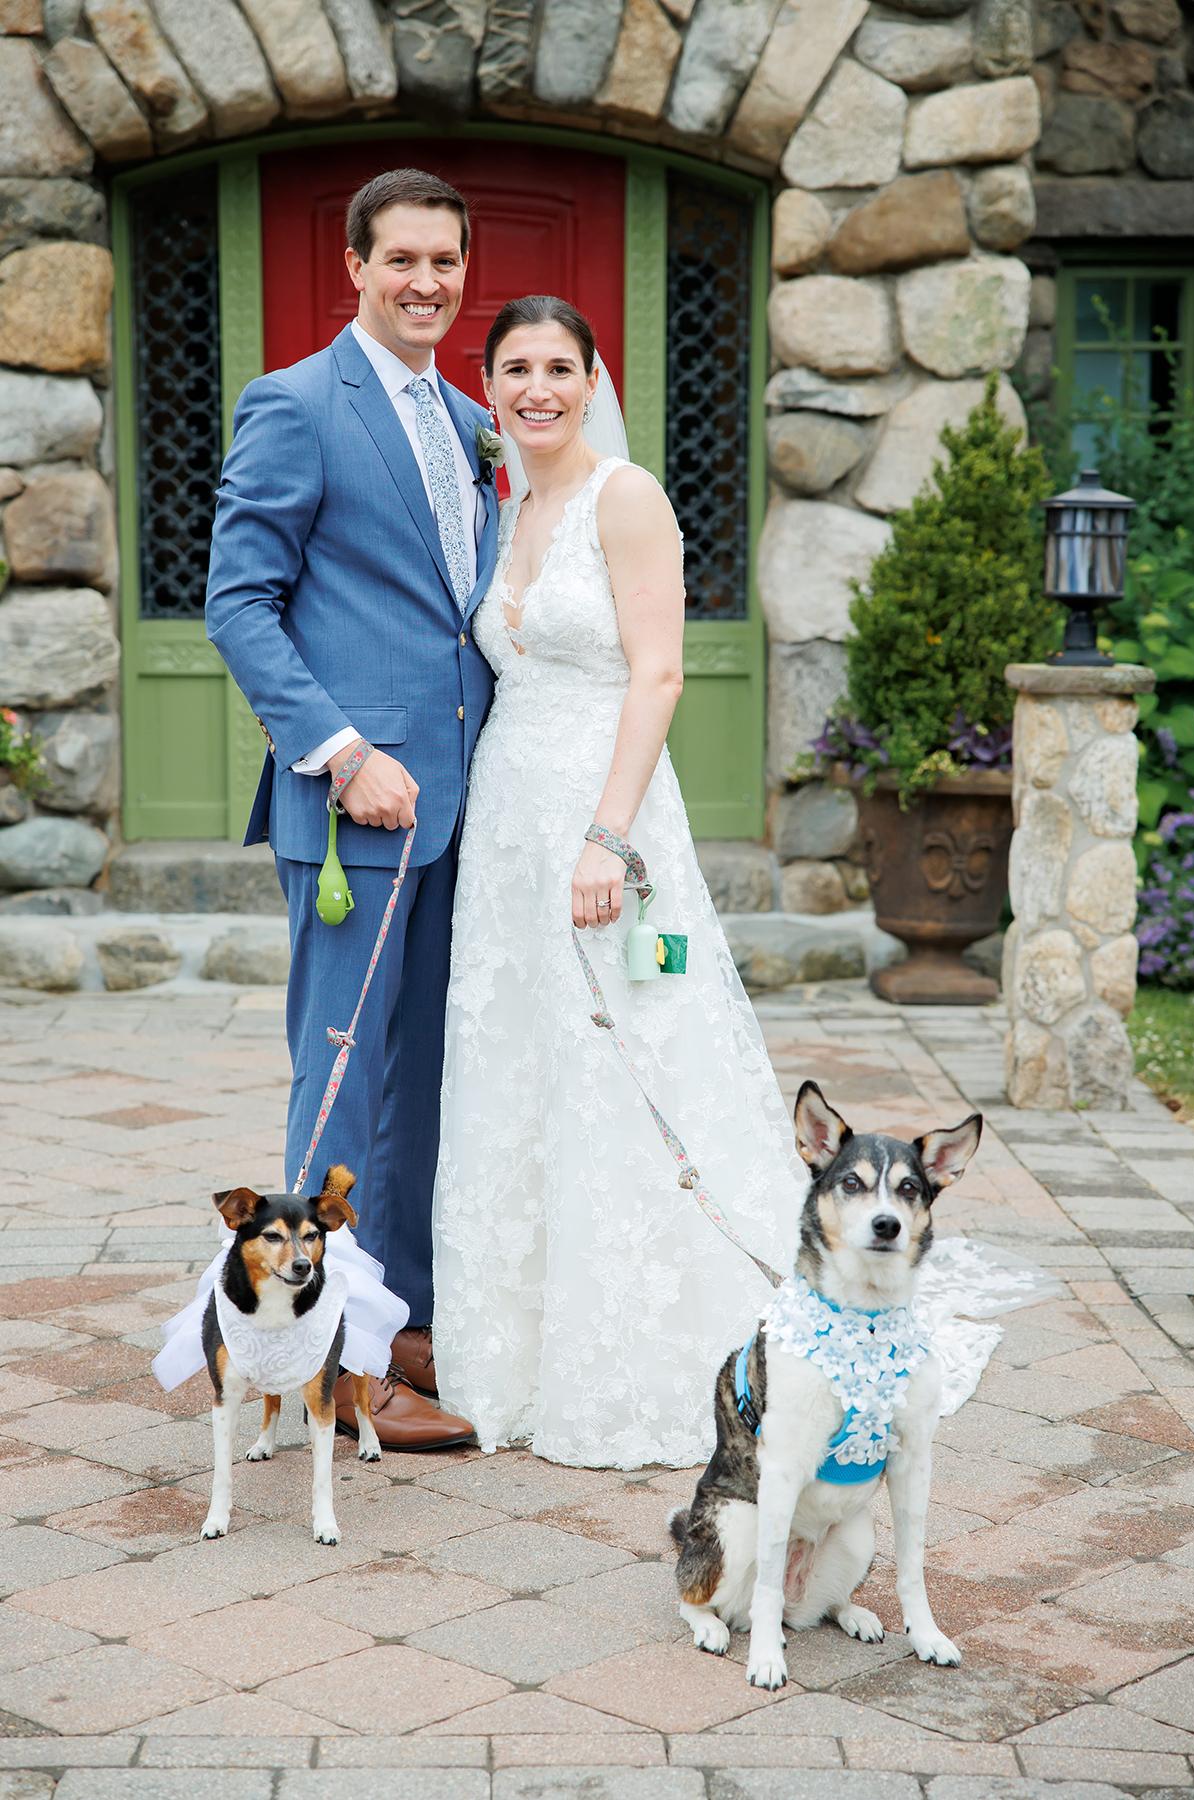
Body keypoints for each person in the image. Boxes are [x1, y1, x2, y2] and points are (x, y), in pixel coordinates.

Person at [431, 295, 806, 1469]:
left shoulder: (623, 499)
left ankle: (640, 1346)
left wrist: (609, 838)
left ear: (593, 381)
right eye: (514, 369)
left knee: (624, 1052)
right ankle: (514, 1352)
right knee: (522, 1062)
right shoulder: (510, 505)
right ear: (486, 386)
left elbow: (659, 675)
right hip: (507, 818)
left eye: (558, 368)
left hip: (606, 813)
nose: (536, 388)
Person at [204, 168, 496, 1451]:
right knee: (341, 1083)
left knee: (430, 1078)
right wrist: (337, 750)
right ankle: (322, 1354)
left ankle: (405, 1324)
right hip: (355, 814)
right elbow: (238, 603)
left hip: (470, 811)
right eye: (403, 262)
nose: (425, 283)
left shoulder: (478, 418)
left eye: (446, 262)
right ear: (355, 268)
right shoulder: (297, 406)